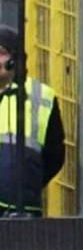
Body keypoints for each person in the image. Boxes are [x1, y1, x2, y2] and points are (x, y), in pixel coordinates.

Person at [0, 29, 62, 217]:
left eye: (1, 53)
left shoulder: (41, 95)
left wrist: (28, 184)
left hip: (23, 207)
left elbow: (55, 155)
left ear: (14, 60)